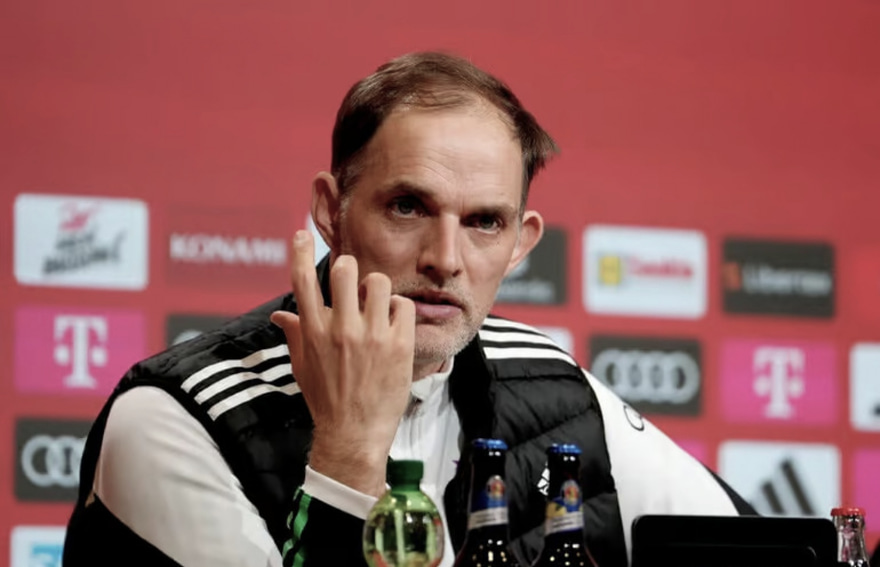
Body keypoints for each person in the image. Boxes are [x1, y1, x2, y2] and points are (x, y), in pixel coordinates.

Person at [63, 51, 754, 567]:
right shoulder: (175, 417)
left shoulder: (557, 394)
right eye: (407, 206)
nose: (445, 258)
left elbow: (764, 550)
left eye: (484, 222)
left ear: (520, 244)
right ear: (331, 211)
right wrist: (349, 451)